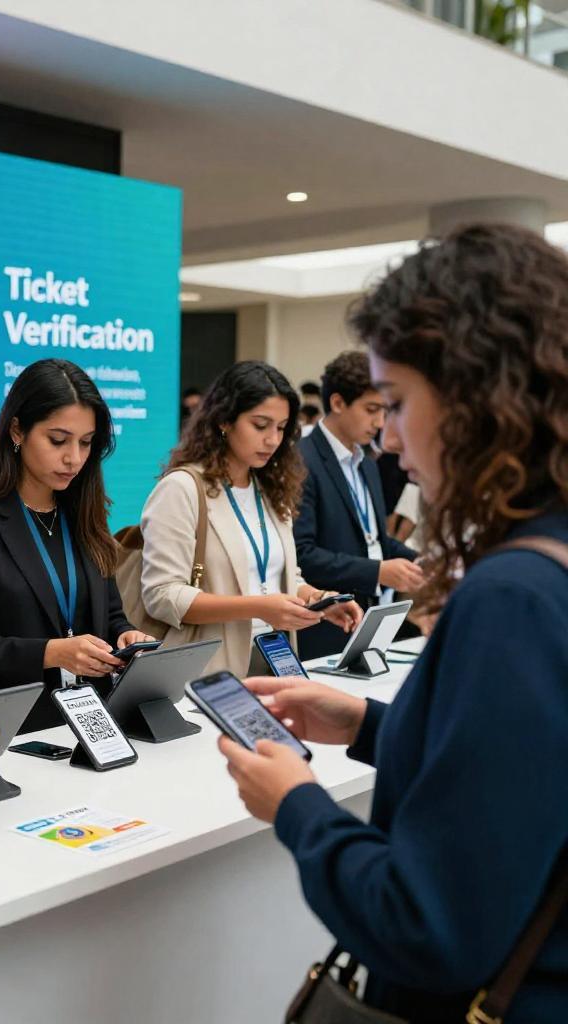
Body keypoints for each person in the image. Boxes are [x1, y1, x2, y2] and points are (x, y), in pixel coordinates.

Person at [217, 223, 568, 1022]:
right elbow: (523, 777)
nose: (392, 438)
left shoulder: (514, 597)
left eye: (401, 403)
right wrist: (371, 725)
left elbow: (428, 926)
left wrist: (297, 806)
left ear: (481, 394)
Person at [0, 358, 151, 733]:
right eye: (58, 440)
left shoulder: (83, 510)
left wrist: (125, 637)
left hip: (88, 723)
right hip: (3, 729)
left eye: (86, 443)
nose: (73, 458)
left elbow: (111, 614)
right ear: (17, 430)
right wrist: (52, 652)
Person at [140, 361, 360, 678]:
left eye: (281, 428)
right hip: (209, 672)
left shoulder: (271, 489)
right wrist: (259, 606)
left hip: (275, 662)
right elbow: (162, 596)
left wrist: (320, 601)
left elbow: (280, 579)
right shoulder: (182, 488)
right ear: (224, 420)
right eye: (260, 425)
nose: (273, 440)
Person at [294, 349, 423, 660]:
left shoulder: (366, 463)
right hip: (325, 625)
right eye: (371, 410)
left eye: (385, 410)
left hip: (371, 619)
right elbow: (301, 554)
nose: (380, 422)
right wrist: (377, 571)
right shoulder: (301, 461)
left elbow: (375, 540)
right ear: (338, 403)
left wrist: (419, 560)